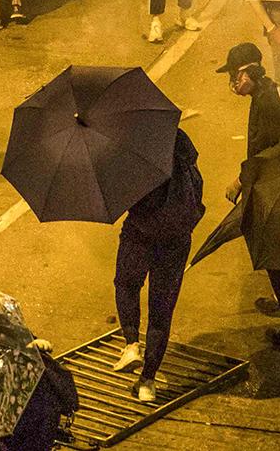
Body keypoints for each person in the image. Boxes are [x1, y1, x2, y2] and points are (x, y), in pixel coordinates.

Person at [219, 41, 280, 347]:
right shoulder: (266, 93)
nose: (232, 82)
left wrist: (241, 180)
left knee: (270, 250)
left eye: (234, 75)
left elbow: (271, 151)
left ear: (248, 73)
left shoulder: (267, 101)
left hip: (276, 185)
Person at [111, 126, 202, 405]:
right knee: (161, 309)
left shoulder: (134, 144)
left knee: (126, 284)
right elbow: (196, 189)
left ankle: (131, 343)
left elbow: (123, 194)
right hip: (176, 238)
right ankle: (148, 382)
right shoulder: (182, 144)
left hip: (140, 232)